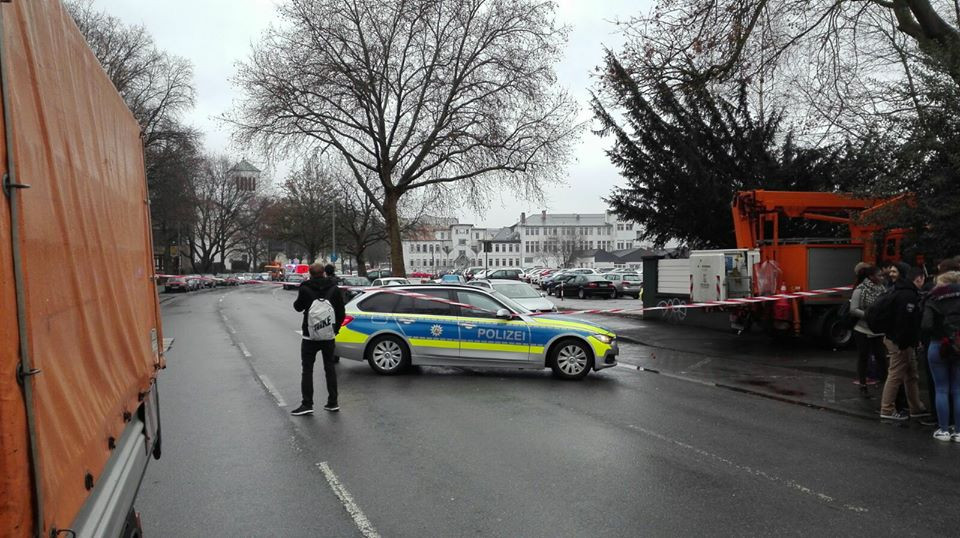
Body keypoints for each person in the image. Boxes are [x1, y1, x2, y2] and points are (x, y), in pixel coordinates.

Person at [290, 263, 345, 415]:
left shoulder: (305, 287)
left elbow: (298, 307)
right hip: (328, 335)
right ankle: (333, 402)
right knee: (330, 368)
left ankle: (307, 404)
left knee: (307, 369)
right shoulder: (334, 288)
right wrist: (335, 329)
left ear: (310, 273)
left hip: (310, 335)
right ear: (324, 273)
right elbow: (341, 312)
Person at [879, 264, 930, 421]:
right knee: (896, 374)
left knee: (911, 373)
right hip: (900, 341)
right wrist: (903, 343)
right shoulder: (908, 295)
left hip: (900, 340)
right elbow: (904, 322)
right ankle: (887, 409)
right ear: (919, 278)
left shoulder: (899, 290)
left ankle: (915, 406)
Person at [921, 271, 960, 441]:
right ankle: (959, 432)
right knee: (958, 390)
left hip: (938, 345)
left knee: (941, 389)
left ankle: (943, 429)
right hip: (959, 345)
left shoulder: (933, 298)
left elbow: (926, 324)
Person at [850, 265, 887, 396]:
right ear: (871, 277)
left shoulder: (883, 289)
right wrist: (868, 316)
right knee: (863, 356)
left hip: (878, 330)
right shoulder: (860, 290)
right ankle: (862, 384)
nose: (882, 278)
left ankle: (885, 384)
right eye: (879, 275)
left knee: (881, 357)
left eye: (883, 275)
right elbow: (853, 309)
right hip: (862, 329)